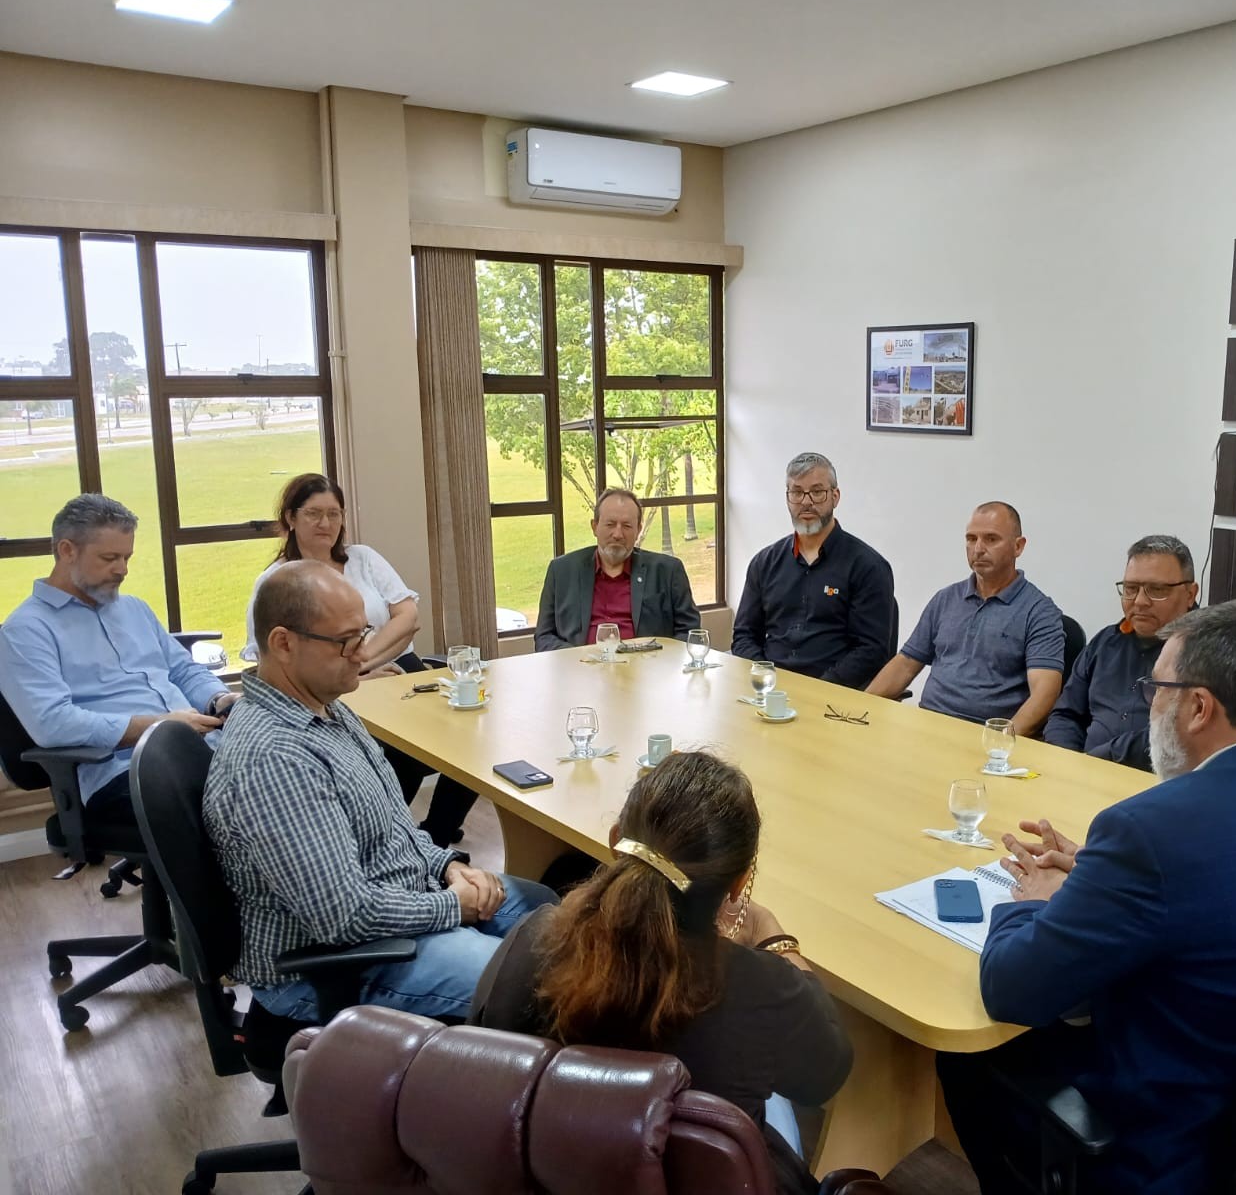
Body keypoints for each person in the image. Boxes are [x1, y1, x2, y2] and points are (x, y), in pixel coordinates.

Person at [938, 601, 1236, 1195]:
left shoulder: (1151, 829)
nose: (1150, 704)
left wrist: (1034, 900)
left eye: (1156, 689)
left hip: (1178, 1150)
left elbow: (1010, 988)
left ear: (1198, 707)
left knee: (965, 1056)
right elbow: (1229, 900)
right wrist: (1097, 880)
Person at [470, 751, 851, 1195]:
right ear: (737, 884)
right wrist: (775, 939)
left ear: (616, 840)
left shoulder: (535, 938)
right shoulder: (763, 988)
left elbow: (489, 1057)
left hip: (550, 1178)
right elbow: (826, 1075)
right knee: (772, 1091)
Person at [204, 561, 556, 1023]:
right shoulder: (274, 758)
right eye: (346, 641)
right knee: (545, 988)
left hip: (400, 904)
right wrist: (453, 906)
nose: (363, 653)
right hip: (337, 963)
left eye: (363, 634)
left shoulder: (327, 708)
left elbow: (393, 827)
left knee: (549, 913)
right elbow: (343, 916)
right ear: (284, 643)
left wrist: (446, 866)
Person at [242, 473, 475, 848]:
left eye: (334, 514)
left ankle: (436, 836)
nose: (326, 523)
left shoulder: (363, 559)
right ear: (290, 518)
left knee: (468, 741)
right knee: (406, 754)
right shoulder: (277, 581)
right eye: (314, 514)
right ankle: (386, 839)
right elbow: (269, 662)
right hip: (339, 688)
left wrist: (359, 659)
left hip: (399, 671)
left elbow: (407, 616)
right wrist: (357, 670)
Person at [0, 494, 236, 829]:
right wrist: (159, 727)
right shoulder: (25, 631)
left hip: (203, 752)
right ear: (67, 551)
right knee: (244, 804)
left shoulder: (135, 609)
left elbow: (183, 670)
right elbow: (53, 724)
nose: (123, 569)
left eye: (127, 557)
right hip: (124, 774)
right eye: (110, 558)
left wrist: (218, 698)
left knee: (290, 771)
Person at [866, 502, 1063, 733]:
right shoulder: (946, 598)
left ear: (1018, 546)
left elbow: (1044, 695)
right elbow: (905, 665)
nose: (978, 548)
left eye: (991, 539)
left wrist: (1001, 742)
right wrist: (862, 706)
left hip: (985, 735)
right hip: (926, 724)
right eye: (971, 539)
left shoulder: (1039, 612)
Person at [732, 452, 895, 689]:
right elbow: (744, 636)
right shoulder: (764, 563)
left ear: (835, 497)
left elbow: (871, 651)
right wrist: (767, 677)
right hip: (770, 688)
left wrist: (818, 689)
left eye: (817, 492)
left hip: (834, 693)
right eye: (797, 492)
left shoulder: (868, 567)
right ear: (787, 498)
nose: (806, 502)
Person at [1042, 534, 1198, 770]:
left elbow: (1178, 736)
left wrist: (1097, 759)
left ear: (1190, 594)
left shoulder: (1206, 653)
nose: (1140, 601)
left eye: (1156, 589)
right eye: (1131, 588)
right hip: (1082, 773)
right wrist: (1067, 763)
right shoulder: (1106, 642)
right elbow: (1066, 715)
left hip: (1155, 780)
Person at [534, 487, 701, 651]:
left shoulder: (668, 571)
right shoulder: (561, 571)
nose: (618, 534)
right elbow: (544, 637)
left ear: (638, 530)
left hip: (647, 666)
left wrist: (659, 659)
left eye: (627, 526)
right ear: (594, 526)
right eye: (610, 524)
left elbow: (690, 633)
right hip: (580, 666)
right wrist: (577, 657)